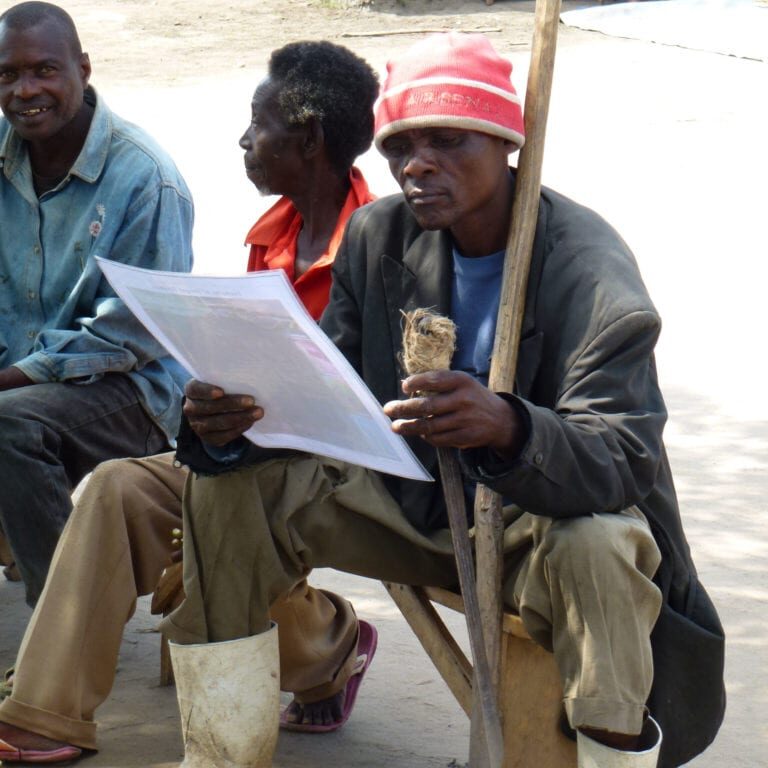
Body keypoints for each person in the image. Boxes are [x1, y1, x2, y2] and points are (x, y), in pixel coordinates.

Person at [162, 31, 726, 768]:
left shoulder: (592, 273)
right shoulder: (378, 234)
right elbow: (330, 389)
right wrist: (232, 422)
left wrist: (508, 426)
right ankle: (221, 751)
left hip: (535, 529)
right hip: (404, 501)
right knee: (226, 487)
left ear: (505, 143)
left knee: (603, 544)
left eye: (449, 142)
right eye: (401, 148)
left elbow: (621, 459)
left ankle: (609, 754)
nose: (417, 166)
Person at [0, 39, 380, 764]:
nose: (243, 139)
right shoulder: (271, 238)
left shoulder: (379, 242)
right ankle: (47, 713)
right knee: (118, 490)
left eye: (258, 123)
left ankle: (330, 642)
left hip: (334, 474)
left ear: (307, 139)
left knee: (208, 552)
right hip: (248, 458)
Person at [0, 1, 193, 606]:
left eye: (44, 70)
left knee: (9, 427)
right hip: (20, 374)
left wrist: (8, 380)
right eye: (7, 74)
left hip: (130, 388)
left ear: (82, 68)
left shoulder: (144, 179)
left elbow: (129, 337)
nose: (25, 90)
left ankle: (64, 630)